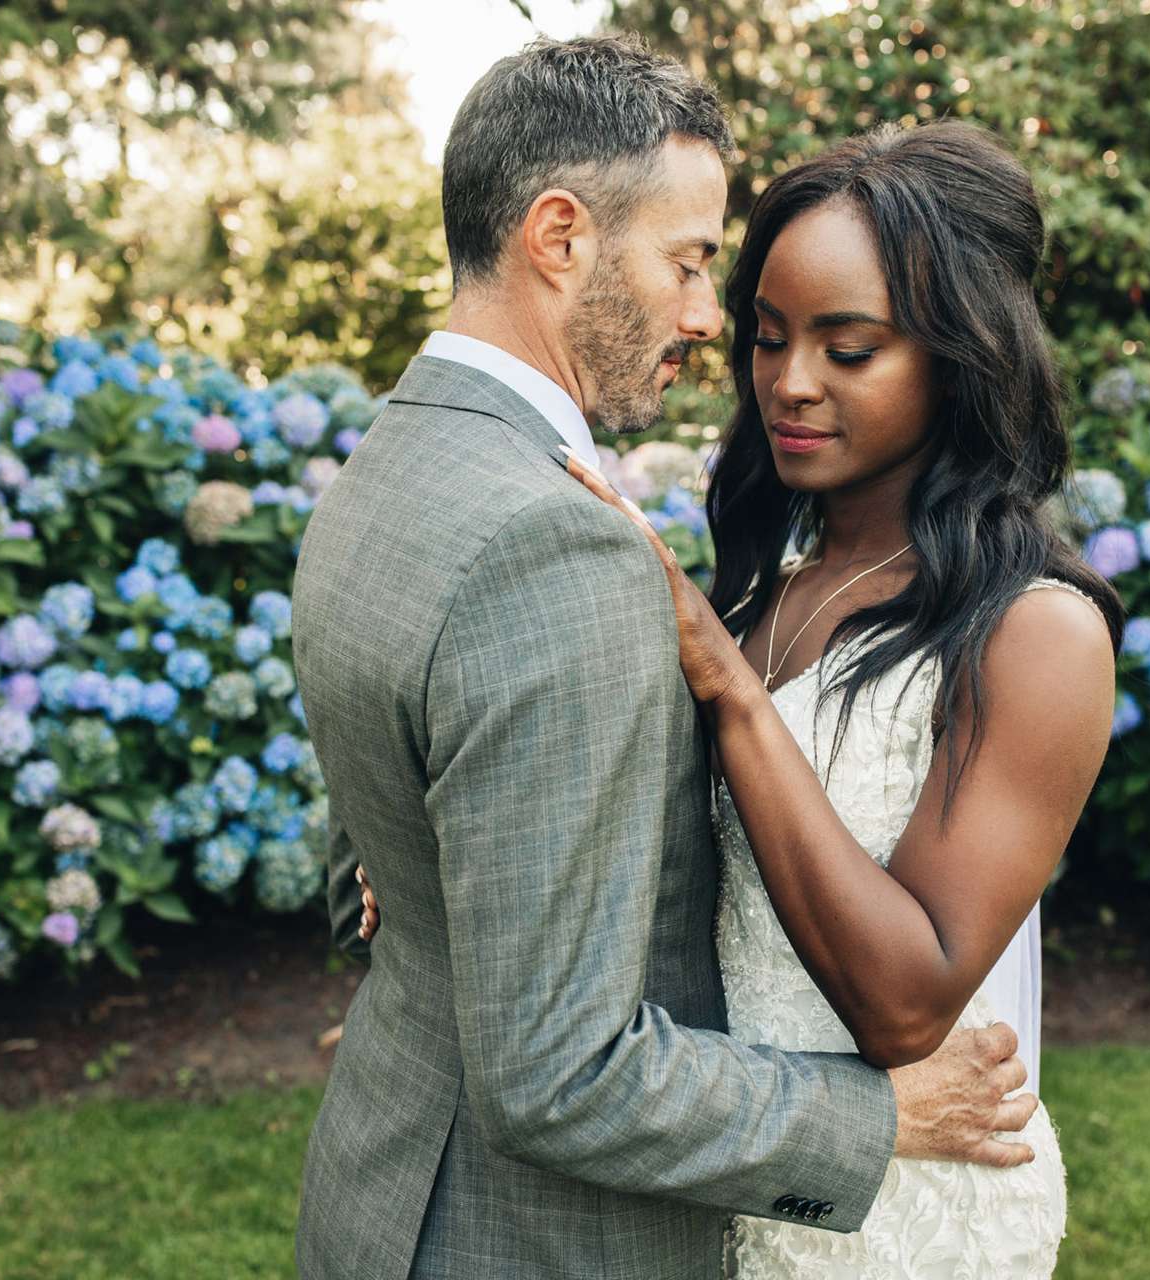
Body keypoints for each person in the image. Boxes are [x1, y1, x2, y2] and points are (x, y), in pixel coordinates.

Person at [292, 37, 1037, 1280]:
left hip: (391, 1180)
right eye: (691, 263)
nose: (708, 315)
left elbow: (371, 846)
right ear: (562, 236)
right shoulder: (551, 545)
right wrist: (887, 1116)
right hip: (525, 1233)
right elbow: (561, 1072)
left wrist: (426, 874)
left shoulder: (394, 468)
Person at [548, 119, 1122, 1275]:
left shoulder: (1034, 632)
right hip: (734, 1170)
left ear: (962, 355)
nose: (789, 384)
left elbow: (906, 1004)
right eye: (768, 338)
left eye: (847, 348)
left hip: (903, 1215)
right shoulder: (768, 583)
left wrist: (723, 681)